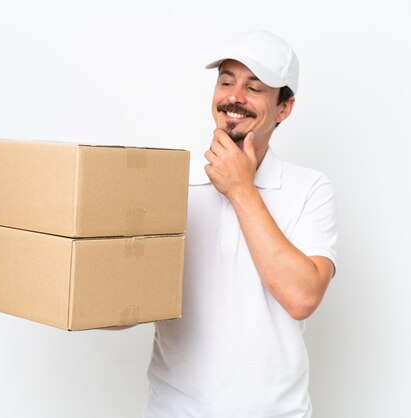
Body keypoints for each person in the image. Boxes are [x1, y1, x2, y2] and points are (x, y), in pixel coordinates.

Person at [144, 30, 338, 418]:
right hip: (174, 409)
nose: (233, 97)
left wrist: (241, 189)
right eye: (226, 81)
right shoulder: (170, 181)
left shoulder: (310, 188)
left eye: (254, 87)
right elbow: (128, 300)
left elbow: (302, 298)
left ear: (284, 108)